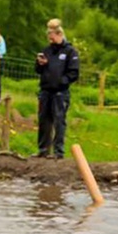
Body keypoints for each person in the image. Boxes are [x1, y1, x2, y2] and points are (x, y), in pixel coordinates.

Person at [35, 18, 79, 159]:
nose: (50, 40)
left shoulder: (70, 52)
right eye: (49, 37)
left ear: (59, 35)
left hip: (60, 92)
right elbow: (38, 70)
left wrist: (61, 81)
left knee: (59, 120)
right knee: (43, 120)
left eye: (52, 37)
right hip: (45, 91)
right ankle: (43, 149)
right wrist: (40, 64)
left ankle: (58, 151)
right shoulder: (46, 50)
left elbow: (74, 73)